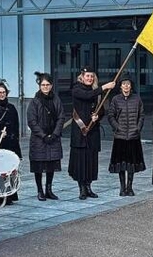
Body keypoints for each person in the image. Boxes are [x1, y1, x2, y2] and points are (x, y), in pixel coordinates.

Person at [69, 66, 115, 200]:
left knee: (90, 161)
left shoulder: (96, 92)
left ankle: (89, 187)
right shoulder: (76, 88)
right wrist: (104, 87)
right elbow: (86, 96)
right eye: (87, 76)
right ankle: (82, 189)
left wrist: (97, 116)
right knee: (80, 161)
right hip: (79, 131)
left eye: (91, 76)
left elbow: (101, 110)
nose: (89, 78)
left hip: (92, 131)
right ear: (82, 77)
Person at [26, 71, 65, 201]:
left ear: (52, 85)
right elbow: (32, 121)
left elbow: (61, 117)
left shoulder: (56, 99)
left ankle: (49, 189)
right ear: (39, 86)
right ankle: (40, 191)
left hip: (53, 137)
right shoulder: (35, 101)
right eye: (43, 85)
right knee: (38, 166)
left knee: (51, 165)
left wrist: (55, 134)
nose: (45, 87)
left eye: (48, 84)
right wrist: (43, 135)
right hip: (39, 139)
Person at [108, 76, 146, 196]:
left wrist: (138, 128)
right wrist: (117, 127)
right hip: (120, 136)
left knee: (131, 164)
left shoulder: (137, 99)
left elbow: (141, 115)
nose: (126, 86)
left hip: (133, 136)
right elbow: (111, 116)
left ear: (131, 86)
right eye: (124, 84)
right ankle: (122, 187)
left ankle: (130, 187)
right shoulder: (115, 99)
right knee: (121, 164)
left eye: (128, 84)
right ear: (120, 86)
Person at [0, 79, 22, 205]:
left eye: (4, 92)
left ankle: (9, 195)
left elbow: (16, 126)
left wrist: (15, 141)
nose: (2, 95)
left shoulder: (11, 107)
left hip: (10, 143)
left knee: (10, 170)